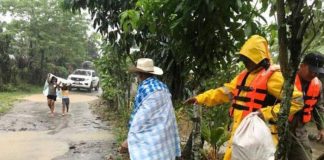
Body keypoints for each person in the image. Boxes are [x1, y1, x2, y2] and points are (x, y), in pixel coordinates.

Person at [184, 35, 303, 160]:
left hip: (259, 136)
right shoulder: (244, 76)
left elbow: (297, 101)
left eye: (248, 59)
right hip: (239, 133)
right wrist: (200, 98)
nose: (245, 62)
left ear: (259, 59)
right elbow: (224, 92)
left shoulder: (274, 76)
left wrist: (265, 113)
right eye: (244, 59)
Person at [120, 58, 181, 160]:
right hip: (164, 138)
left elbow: (140, 118)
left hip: (149, 143)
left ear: (141, 75)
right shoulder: (163, 87)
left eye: (137, 75)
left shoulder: (145, 89)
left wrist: (128, 140)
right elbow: (168, 116)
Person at [287, 52, 324, 160]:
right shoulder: (286, 78)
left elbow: (318, 107)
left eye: (317, 72)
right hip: (280, 128)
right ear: (302, 65)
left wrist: (321, 128)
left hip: (300, 129)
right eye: (312, 70)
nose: (314, 74)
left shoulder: (318, 85)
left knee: (305, 157)